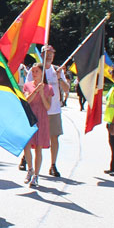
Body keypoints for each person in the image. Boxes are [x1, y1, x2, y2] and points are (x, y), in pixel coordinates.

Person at [26, 45, 69, 177]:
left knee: (54, 137)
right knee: (32, 139)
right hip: (36, 110)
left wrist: (59, 78)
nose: (49, 55)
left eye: (51, 53)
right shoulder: (35, 70)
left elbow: (66, 89)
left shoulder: (57, 70)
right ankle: (28, 163)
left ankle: (53, 165)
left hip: (53, 110)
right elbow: (27, 88)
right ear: (42, 55)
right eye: (46, 53)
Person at [22, 63, 53, 187]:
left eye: (37, 71)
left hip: (42, 118)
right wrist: (35, 91)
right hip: (30, 117)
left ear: (42, 73)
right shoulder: (27, 86)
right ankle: (30, 169)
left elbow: (47, 106)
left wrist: (41, 93)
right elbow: (27, 101)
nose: (34, 74)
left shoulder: (48, 88)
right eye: (33, 71)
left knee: (39, 147)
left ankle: (36, 176)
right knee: (27, 145)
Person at [104, 68, 114, 176]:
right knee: (112, 145)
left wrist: (113, 123)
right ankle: (113, 167)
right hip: (110, 121)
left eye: (112, 74)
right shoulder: (113, 87)